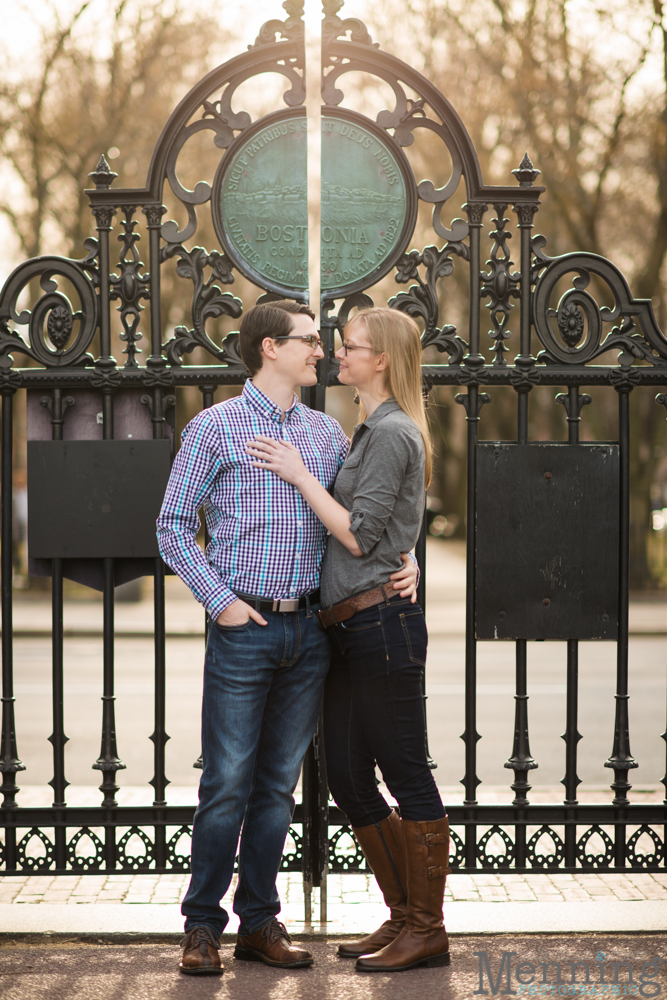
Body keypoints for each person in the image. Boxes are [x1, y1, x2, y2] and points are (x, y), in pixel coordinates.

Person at [156, 301, 417, 976]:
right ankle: (202, 928)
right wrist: (221, 604)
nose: (322, 352)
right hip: (244, 627)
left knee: (277, 788)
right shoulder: (214, 428)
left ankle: (260, 923)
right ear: (270, 347)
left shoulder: (329, 435)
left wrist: (403, 557)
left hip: (310, 631)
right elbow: (173, 526)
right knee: (227, 783)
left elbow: (357, 522)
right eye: (309, 340)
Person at [246, 307, 450, 974]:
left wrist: (300, 474)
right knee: (348, 779)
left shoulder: (391, 434)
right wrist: (407, 551)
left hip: (379, 627)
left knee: (406, 775)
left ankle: (426, 927)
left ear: (382, 360)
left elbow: (362, 533)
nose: (337, 355)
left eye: (351, 347)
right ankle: (400, 918)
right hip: (347, 627)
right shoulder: (368, 432)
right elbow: (388, 527)